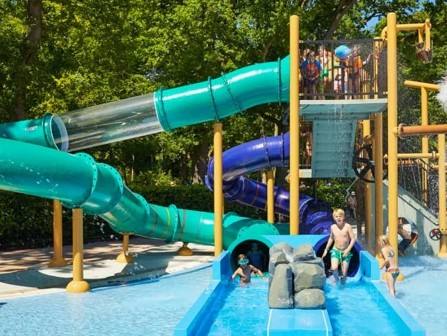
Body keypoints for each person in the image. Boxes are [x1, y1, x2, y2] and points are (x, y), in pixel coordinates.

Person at [322, 208, 356, 284]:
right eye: (336, 216)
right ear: (334, 218)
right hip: (335, 250)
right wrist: (326, 249)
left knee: (344, 274)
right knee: (334, 268)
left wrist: (348, 250)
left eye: (340, 216)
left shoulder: (348, 226)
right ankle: (337, 281)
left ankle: (342, 284)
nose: (338, 218)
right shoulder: (333, 227)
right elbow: (331, 238)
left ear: (343, 217)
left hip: (345, 251)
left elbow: (353, 239)